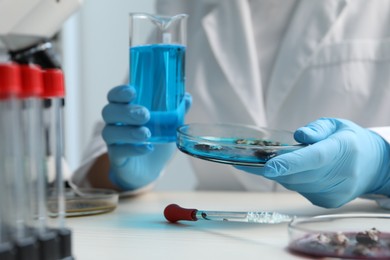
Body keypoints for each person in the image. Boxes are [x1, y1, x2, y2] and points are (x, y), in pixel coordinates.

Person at [71, 0, 390, 208]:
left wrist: (382, 163)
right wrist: (124, 171)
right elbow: (94, 172)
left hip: (350, 231)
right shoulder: (184, 7)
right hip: (212, 233)